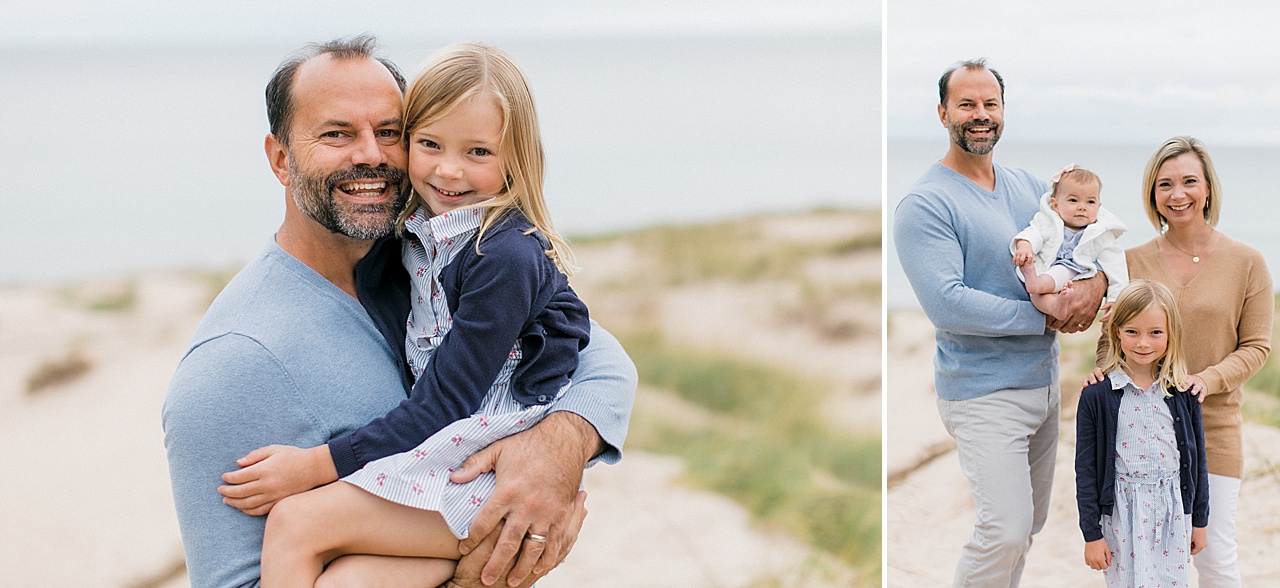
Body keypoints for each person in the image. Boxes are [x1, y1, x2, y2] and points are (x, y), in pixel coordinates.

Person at [162, 35, 637, 588]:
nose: (371, 154)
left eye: (390, 133)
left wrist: (560, 446)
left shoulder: (436, 257)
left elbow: (604, 360)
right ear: (280, 159)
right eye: (337, 134)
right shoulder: (234, 365)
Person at [893, 58, 1109, 587]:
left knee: (1027, 527)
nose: (980, 114)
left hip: (1043, 386)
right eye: (967, 103)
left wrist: (1095, 288)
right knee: (1005, 530)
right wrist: (1043, 320)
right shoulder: (925, 204)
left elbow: (1092, 242)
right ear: (943, 113)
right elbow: (948, 303)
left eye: (990, 103)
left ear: (1004, 112)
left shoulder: (1033, 191)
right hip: (981, 393)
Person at [1091, 136, 1272, 588]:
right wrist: (1100, 371)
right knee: (1140, 562)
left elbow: (1256, 347)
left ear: (1208, 188)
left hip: (1214, 430)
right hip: (1137, 437)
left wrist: (1207, 380)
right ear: (1152, 194)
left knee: (1214, 559)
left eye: (1189, 181)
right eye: (1164, 184)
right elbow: (1110, 339)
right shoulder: (1129, 262)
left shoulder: (1247, 262)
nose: (1178, 194)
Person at [1075, 279, 1209, 587]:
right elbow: (1086, 470)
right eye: (1132, 332)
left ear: (1170, 334)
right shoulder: (1097, 395)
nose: (1143, 343)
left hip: (1173, 512)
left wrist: (1199, 521)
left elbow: (1197, 460)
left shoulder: (1183, 393)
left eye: (1155, 333)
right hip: (1122, 514)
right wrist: (1091, 535)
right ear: (1116, 331)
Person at [1010, 164, 1127, 321]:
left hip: (1072, 274)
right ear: (1056, 205)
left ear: (1098, 206)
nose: (1082, 207)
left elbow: (1115, 264)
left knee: (1059, 272)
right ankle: (1054, 306)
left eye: (1090, 202)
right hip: (1045, 271)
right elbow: (1033, 233)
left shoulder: (1100, 234)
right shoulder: (1048, 222)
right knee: (1036, 297)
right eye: (1073, 200)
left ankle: (1040, 286)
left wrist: (1115, 298)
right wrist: (1025, 246)